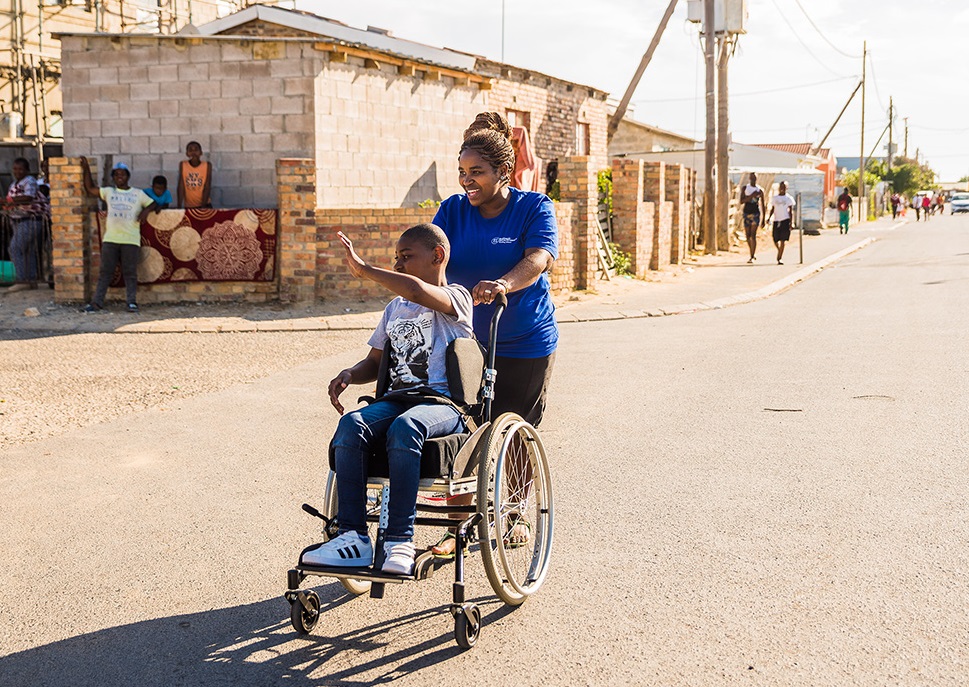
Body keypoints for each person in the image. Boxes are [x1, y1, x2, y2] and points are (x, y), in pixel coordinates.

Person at [301, 224, 474, 576]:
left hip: (441, 404)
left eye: (406, 257)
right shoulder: (395, 308)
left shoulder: (457, 298)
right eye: (396, 259)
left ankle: (399, 539)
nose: (397, 266)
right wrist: (349, 373)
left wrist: (364, 269)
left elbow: (414, 287)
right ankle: (353, 537)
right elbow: (375, 362)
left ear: (437, 256)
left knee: (406, 426)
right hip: (398, 398)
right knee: (351, 424)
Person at [429, 114, 559, 556]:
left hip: (524, 338)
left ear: (504, 172)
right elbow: (432, 257)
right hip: (466, 340)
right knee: (462, 424)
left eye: (477, 172)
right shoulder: (452, 210)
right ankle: (460, 518)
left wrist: (503, 283)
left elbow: (539, 258)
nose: (467, 181)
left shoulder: (534, 207)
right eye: (462, 172)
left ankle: (516, 508)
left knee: (514, 425)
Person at [80, 158, 156, 313]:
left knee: (130, 273)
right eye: (116, 175)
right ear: (113, 177)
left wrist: (145, 211)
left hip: (130, 239)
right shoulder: (109, 192)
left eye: (122, 174)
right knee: (105, 272)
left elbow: (154, 203)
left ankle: (131, 302)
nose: (119, 177)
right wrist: (86, 167)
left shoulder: (137, 194)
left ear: (128, 176)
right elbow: (89, 189)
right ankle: (97, 302)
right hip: (111, 239)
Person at [4, 157, 48, 292]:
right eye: (15, 169)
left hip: (30, 219)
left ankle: (22, 279)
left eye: (21, 169)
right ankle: (31, 280)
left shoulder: (29, 181)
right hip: (18, 220)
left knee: (15, 248)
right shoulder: (14, 184)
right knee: (27, 251)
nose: (17, 171)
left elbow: (28, 197)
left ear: (27, 170)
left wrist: (9, 201)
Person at [766, 181, 796, 265]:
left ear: (787, 188)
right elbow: (773, 208)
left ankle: (779, 257)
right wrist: (769, 218)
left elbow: (790, 211)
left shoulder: (788, 198)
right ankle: (779, 250)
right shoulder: (775, 198)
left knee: (783, 239)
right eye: (781, 187)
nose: (782, 188)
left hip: (785, 220)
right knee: (775, 238)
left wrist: (791, 222)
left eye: (784, 187)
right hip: (776, 220)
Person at [740, 172, 766, 263]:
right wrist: (751, 196)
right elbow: (741, 201)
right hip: (747, 212)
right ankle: (751, 251)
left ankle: (752, 255)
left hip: (755, 213)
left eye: (754, 178)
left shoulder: (760, 190)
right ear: (749, 179)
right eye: (752, 178)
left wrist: (764, 219)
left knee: (753, 235)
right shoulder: (745, 188)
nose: (753, 180)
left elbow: (763, 204)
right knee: (747, 236)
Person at [177, 141, 212, 209]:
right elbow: (181, 186)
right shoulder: (183, 164)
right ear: (187, 154)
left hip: (205, 204)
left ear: (201, 153)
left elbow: (207, 186)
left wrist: (203, 206)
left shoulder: (207, 165)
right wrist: (179, 206)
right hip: (189, 206)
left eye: (196, 150)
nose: (193, 153)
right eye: (190, 150)